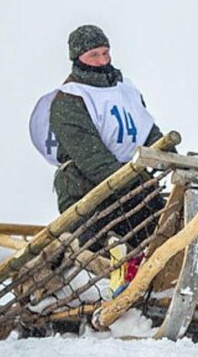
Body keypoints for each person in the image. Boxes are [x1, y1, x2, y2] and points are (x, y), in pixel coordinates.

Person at [30, 24, 165, 249]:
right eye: (94, 55)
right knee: (107, 255)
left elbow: (147, 131)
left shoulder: (125, 90)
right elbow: (93, 160)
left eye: (105, 53)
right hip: (87, 193)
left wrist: (174, 161)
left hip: (131, 186)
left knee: (163, 237)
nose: (103, 61)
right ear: (77, 57)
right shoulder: (69, 100)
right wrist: (137, 183)